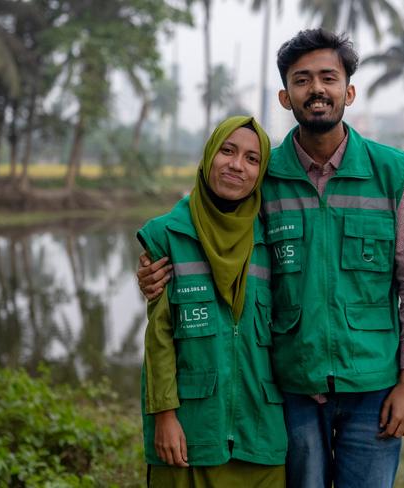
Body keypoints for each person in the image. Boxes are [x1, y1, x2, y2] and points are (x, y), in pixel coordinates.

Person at [138, 29, 404, 488]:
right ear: (285, 96)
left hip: (373, 384)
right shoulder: (263, 174)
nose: (316, 89)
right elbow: (208, 227)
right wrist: (157, 270)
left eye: (328, 78)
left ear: (348, 91)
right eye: (302, 80)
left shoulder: (389, 172)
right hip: (292, 384)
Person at [137, 116, 287, 488]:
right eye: (228, 151)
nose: (237, 165)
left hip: (261, 434)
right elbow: (159, 336)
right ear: (208, 156)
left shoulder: (273, 237)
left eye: (253, 159)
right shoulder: (167, 234)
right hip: (189, 433)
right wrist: (165, 416)